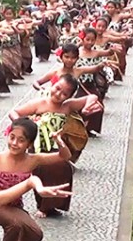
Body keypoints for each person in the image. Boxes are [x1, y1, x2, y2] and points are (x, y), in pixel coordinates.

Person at [8, 74, 101, 217]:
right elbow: (14, 112)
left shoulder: (68, 106)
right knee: (42, 172)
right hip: (39, 147)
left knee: (62, 170)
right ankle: (43, 206)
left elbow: (92, 97)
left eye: (64, 93)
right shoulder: (39, 103)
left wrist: (87, 107)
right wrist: (26, 124)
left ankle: (55, 205)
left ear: (69, 96)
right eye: (57, 88)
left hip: (57, 146)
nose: (58, 94)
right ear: (54, 84)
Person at [0, 119, 71, 241]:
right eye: (12, 137)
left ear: (29, 144)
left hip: (15, 206)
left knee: (35, 234)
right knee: (16, 225)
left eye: (21, 140)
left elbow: (64, 156)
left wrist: (58, 141)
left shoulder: (33, 160)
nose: (14, 143)